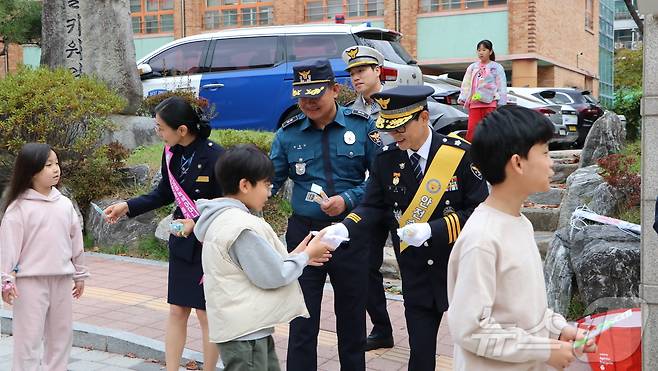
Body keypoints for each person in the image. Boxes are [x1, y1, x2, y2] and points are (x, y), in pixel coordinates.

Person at [320, 85, 489, 370]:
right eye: (390, 129)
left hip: (459, 267)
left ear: (423, 118)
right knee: (420, 355)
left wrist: (433, 230)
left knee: (475, 352)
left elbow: (480, 212)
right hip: (416, 270)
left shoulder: (459, 155)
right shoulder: (386, 159)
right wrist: (347, 227)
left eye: (400, 129)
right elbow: (372, 206)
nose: (394, 136)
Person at [446, 105, 596, 370]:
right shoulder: (482, 238)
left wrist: (558, 330)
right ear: (517, 162)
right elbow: (470, 330)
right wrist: (545, 350)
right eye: (546, 152)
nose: (551, 163)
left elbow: (524, 310)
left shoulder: (521, 223)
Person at [270, 58, 380, 370]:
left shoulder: (362, 127)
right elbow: (270, 183)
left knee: (351, 316)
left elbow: (379, 182)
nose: (308, 103)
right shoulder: (287, 134)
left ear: (334, 90)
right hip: (305, 235)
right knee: (302, 317)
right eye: (302, 96)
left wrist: (347, 199)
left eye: (316, 95)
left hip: (350, 232)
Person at [104, 97, 223, 371]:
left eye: (160, 127)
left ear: (181, 129)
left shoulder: (215, 155)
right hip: (181, 241)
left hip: (208, 243)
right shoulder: (172, 153)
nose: (158, 132)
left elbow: (227, 202)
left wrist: (199, 220)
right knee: (177, 309)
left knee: (207, 314)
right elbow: (163, 194)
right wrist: (127, 206)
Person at [194, 144, 333, 371]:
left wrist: (299, 256)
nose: (269, 192)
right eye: (267, 185)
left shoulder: (223, 219)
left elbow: (258, 266)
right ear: (245, 185)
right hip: (246, 333)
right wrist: (306, 255)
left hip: (242, 327)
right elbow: (273, 275)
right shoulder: (241, 228)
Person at [0, 143, 89, 371]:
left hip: (61, 280)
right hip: (30, 284)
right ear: (31, 171)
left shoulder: (65, 205)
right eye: (48, 165)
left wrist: (80, 274)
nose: (56, 169)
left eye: (57, 163)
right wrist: (6, 281)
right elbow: (9, 248)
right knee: (28, 339)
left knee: (61, 336)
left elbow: (75, 242)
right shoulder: (18, 208)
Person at [341, 44, 395, 350]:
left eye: (361, 70)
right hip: (371, 199)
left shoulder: (399, 104)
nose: (356, 77)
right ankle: (382, 327)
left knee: (412, 264)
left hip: (405, 199)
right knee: (366, 265)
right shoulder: (350, 113)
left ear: (377, 70)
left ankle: (421, 327)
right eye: (351, 73)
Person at [458, 39, 507, 142]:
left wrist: (501, 102)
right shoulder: (472, 67)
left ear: (490, 51)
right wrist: (463, 97)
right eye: (479, 50)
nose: (481, 52)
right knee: (472, 131)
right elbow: (466, 83)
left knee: (490, 130)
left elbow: (502, 85)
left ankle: (490, 153)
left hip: (490, 103)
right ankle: (471, 153)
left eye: (484, 50)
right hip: (475, 103)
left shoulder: (496, 67)